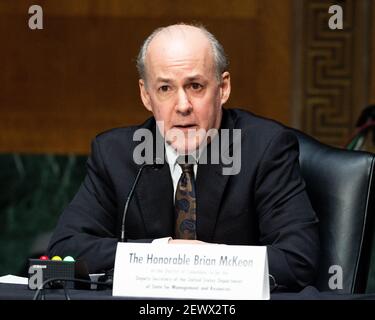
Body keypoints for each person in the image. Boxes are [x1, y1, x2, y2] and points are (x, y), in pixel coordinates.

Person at [47, 23, 319, 291]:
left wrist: (199, 260)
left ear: (223, 88)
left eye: (196, 86)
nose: (183, 106)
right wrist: (163, 252)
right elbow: (67, 248)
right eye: (165, 88)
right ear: (146, 94)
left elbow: (297, 259)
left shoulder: (265, 148)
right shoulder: (115, 154)